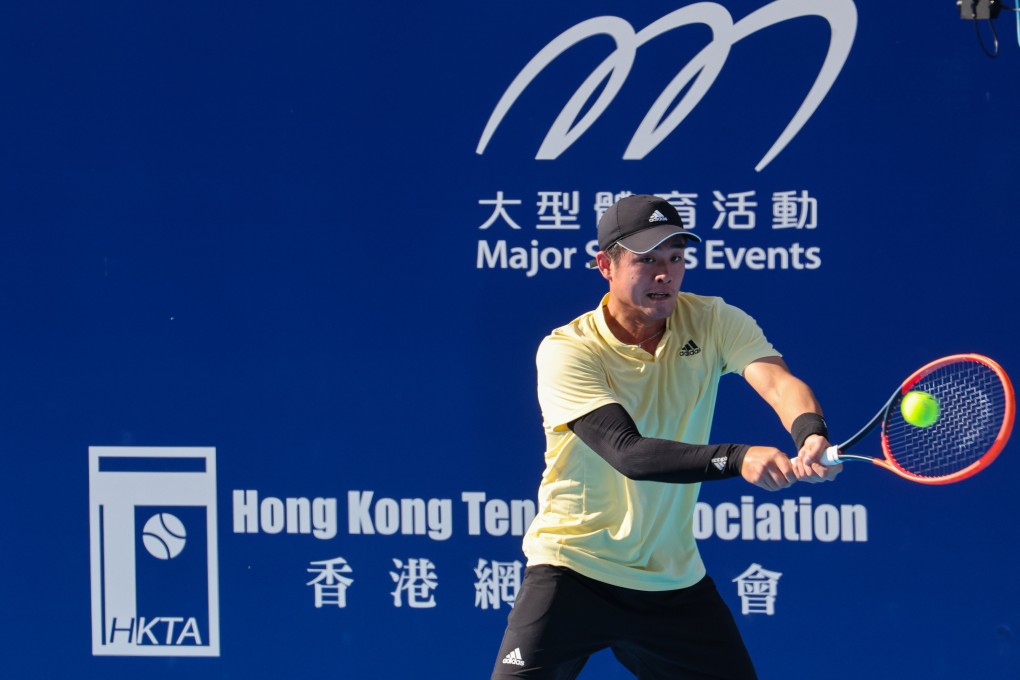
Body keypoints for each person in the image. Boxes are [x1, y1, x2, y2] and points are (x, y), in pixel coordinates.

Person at [490, 194, 841, 680]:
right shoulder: (567, 351)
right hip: (573, 570)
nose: (665, 273)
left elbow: (778, 382)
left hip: (672, 582)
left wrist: (810, 432)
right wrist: (738, 459)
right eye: (647, 259)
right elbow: (628, 453)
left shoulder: (713, 319)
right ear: (605, 266)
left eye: (676, 258)